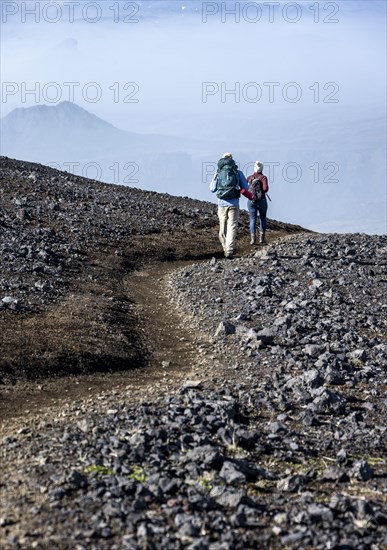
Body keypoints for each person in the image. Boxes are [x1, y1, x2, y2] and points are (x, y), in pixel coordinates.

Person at [210, 153, 253, 259]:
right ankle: (229, 250)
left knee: (222, 228)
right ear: (232, 160)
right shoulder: (237, 172)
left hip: (221, 204)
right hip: (234, 204)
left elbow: (212, 189)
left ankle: (225, 248)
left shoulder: (218, 172)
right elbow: (246, 188)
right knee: (232, 227)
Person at [246, 161, 269, 244]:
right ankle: (262, 238)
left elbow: (244, 186)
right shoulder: (263, 178)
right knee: (262, 218)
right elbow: (265, 189)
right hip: (262, 200)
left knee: (252, 219)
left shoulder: (249, 177)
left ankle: (253, 239)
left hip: (251, 201)